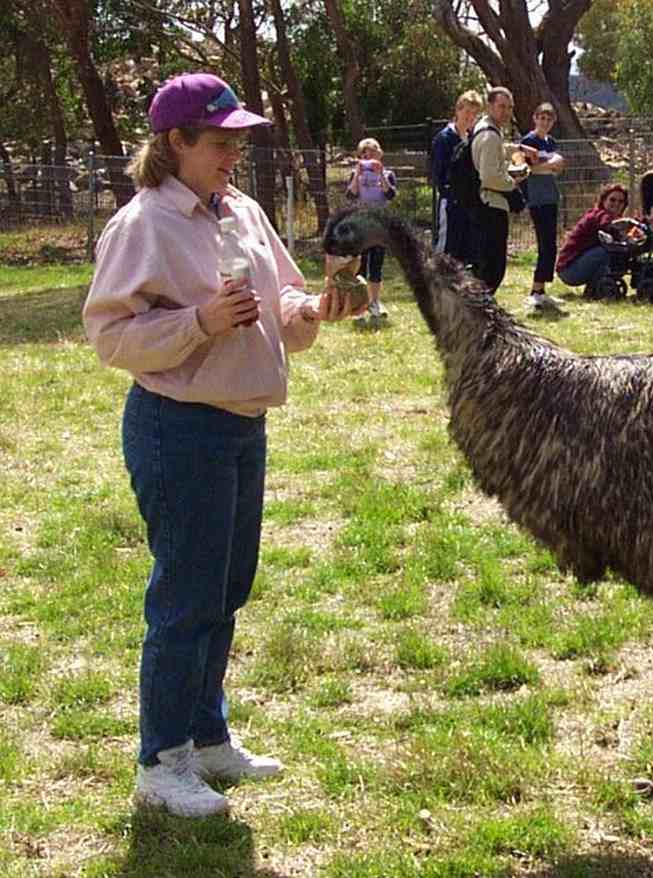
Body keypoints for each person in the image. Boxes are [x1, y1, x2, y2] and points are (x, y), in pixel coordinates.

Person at [82, 72, 357, 819]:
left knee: (225, 590)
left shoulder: (242, 211)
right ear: (176, 143)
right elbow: (109, 336)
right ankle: (160, 761)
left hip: (242, 425)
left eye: (239, 140)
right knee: (185, 598)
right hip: (180, 430)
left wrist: (312, 309)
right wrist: (199, 323)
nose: (234, 153)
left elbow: (284, 299)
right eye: (219, 141)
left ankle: (205, 737)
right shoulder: (142, 225)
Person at [470, 86, 529, 295]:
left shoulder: (488, 130)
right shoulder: (489, 135)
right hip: (490, 205)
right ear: (490, 107)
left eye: (509, 107)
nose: (506, 112)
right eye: (501, 106)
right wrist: (513, 185)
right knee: (493, 267)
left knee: (488, 265)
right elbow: (489, 176)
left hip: (488, 204)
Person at [519, 102, 567, 313]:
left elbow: (559, 167)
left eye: (549, 119)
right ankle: (535, 292)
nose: (545, 122)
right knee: (544, 243)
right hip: (537, 198)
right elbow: (531, 169)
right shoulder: (528, 141)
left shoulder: (550, 141)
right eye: (542, 118)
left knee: (551, 245)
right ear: (535, 118)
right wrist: (549, 164)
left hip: (551, 197)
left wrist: (544, 164)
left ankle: (541, 289)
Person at [346, 137, 398, 321]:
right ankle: (358, 305)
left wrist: (381, 174)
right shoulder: (355, 173)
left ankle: (375, 302)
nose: (368, 157)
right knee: (359, 265)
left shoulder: (388, 173)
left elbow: (390, 194)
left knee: (376, 265)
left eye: (372, 153)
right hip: (360, 225)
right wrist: (358, 175)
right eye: (364, 154)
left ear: (379, 154)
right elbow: (350, 196)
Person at [555, 183, 636, 297]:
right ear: (603, 201)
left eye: (620, 201)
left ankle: (595, 289)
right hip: (569, 270)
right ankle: (595, 291)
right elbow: (607, 224)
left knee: (615, 251)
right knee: (604, 252)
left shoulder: (613, 218)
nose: (616, 204)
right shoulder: (598, 215)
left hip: (577, 265)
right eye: (612, 200)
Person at [431, 90, 483, 264]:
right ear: (458, 110)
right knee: (446, 250)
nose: (470, 117)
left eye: (474, 113)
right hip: (451, 203)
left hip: (469, 203)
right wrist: (451, 194)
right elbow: (438, 175)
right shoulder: (444, 138)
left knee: (464, 251)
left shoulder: (471, 138)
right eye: (467, 111)